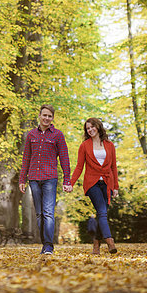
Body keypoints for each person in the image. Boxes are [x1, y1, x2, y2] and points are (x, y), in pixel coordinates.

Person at [19, 104, 72, 255]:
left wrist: (66, 180)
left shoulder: (58, 135)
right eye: (44, 115)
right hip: (34, 178)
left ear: (52, 118)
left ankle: (48, 246)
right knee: (39, 214)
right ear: (40, 116)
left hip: (50, 178)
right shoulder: (31, 135)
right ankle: (45, 243)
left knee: (48, 212)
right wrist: (22, 179)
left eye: (50, 116)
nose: (47, 118)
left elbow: (64, 158)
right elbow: (26, 158)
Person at [71, 117, 119, 254]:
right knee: (102, 212)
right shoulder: (84, 146)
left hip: (107, 182)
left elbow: (113, 167)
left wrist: (115, 187)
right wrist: (71, 183)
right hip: (92, 183)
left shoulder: (109, 145)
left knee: (101, 214)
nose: (90, 130)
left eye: (92, 127)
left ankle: (96, 245)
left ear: (98, 127)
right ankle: (110, 241)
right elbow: (79, 167)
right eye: (87, 128)